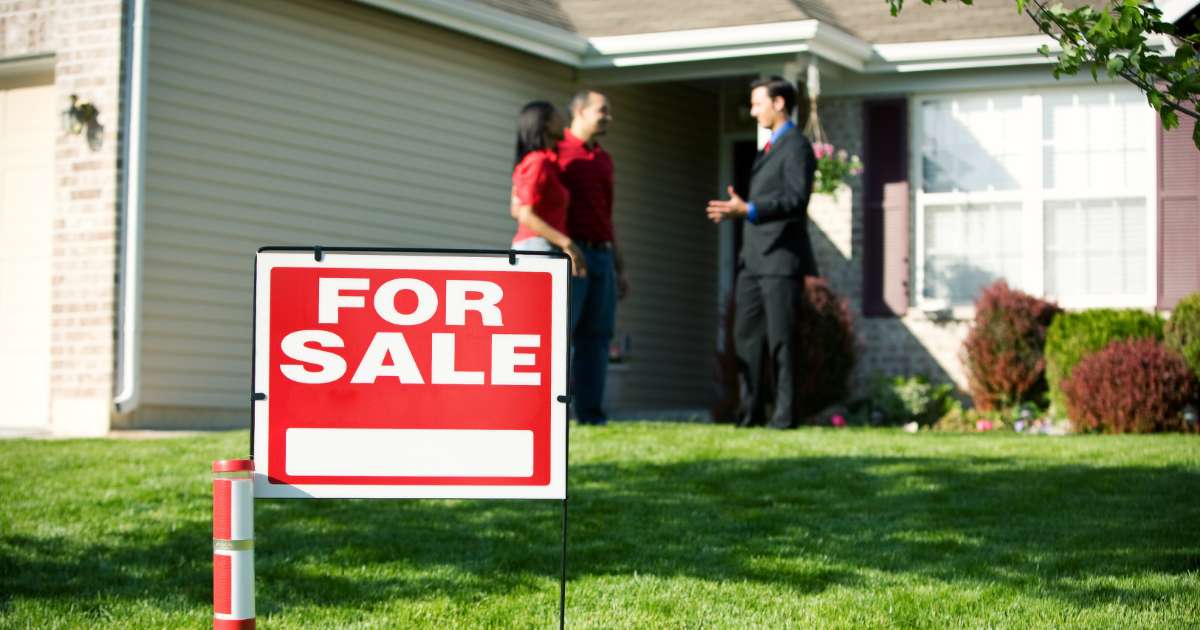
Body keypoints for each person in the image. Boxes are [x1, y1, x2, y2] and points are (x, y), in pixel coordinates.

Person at [705, 76, 818, 429]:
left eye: (757, 103)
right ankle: (749, 411)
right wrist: (738, 211)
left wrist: (749, 210)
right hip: (753, 260)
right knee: (746, 337)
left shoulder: (797, 147)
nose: (753, 111)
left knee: (782, 339)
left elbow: (796, 200)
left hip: (781, 259)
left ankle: (785, 415)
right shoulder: (768, 147)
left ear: (779, 103)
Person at [558, 89, 628, 426]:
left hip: (602, 254)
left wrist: (619, 264)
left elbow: (607, 214)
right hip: (572, 255)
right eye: (603, 110)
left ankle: (591, 414)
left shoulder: (603, 159)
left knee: (598, 336)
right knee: (563, 332)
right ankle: (557, 413)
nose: (608, 117)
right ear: (581, 111)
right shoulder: (558, 152)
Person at [510, 101, 586, 277]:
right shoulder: (538, 162)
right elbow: (524, 214)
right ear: (545, 124)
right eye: (557, 116)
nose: (563, 121)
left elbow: (515, 208)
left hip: (544, 247)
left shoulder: (544, 162)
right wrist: (567, 243)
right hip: (537, 248)